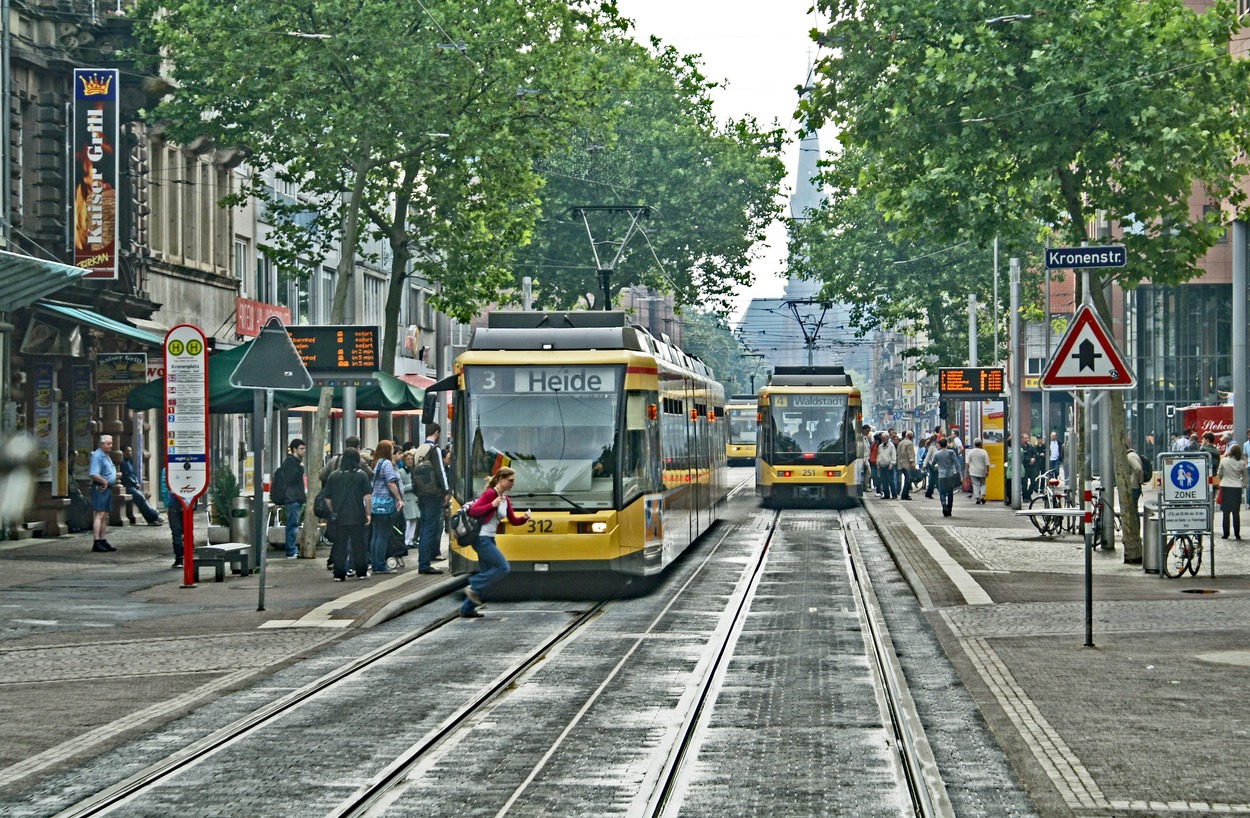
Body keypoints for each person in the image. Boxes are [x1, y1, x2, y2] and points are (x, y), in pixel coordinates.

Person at [459, 467, 530, 618]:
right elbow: (473, 511)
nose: (512, 483)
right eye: (510, 480)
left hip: (490, 538)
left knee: (488, 574)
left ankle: (467, 609)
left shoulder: (505, 499)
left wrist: (524, 518)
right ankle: (474, 584)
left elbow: (513, 520)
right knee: (503, 567)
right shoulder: (490, 494)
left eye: (513, 481)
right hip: (481, 538)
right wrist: (492, 505)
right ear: (500, 480)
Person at [323, 448, 373, 580]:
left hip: (340, 517)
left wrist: (334, 510)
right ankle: (361, 572)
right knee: (359, 545)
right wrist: (368, 513)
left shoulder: (333, 476)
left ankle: (339, 574)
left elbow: (327, 498)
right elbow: (367, 496)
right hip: (357, 516)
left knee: (340, 546)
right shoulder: (362, 475)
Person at [415, 423, 450, 574]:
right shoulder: (434, 449)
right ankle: (424, 564)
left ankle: (422, 561)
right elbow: (440, 472)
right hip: (434, 494)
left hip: (422, 494)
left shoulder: (419, 450)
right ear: (437, 432)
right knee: (430, 528)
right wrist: (446, 491)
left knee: (424, 527)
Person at [368, 440, 404, 575]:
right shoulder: (387, 464)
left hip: (375, 503)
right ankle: (380, 565)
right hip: (386, 504)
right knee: (382, 535)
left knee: (376, 535)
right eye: (391, 449)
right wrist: (399, 498)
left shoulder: (376, 463)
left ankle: (375, 562)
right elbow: (391, 483)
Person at [273, 439, 306, 558]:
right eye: (301, 449)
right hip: (292, 498)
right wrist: (301, 468)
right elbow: (291, 479)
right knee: (292, 525)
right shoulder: (290, 463)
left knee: (293, 524)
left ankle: (292, 549)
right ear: (294, 449)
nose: (303, 451)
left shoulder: (293, 462)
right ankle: (291, 550)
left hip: (295, 497)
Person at [87, 434, 117, 552]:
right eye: (108, 443)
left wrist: (115, 475)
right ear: (101, 444)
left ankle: (103, 539)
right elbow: (93, 474)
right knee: (99, 514)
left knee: (104, 515)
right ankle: (96, 541)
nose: (111, 445)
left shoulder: (106, 455)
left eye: (111, 443)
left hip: (107, 488)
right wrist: (104, 481)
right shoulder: (97, 455)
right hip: (100, 488)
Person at [119, 446, 163, 526]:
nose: (131, 452)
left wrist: (135, 482)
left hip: (131, 485)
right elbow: (126, 476)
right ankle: (153, 516)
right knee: (140, 498)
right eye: (129, 451)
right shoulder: (123, 463)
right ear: (125, 452)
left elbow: (132, 474)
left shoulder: (128, 462)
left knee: (141, 497)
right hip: (127, 486)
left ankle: (153, 516)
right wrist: (134, 483)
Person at [1217, 444, 1247, 540]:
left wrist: (1223, 478)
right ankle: (1237, 534)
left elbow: (1219, 474)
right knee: (1236, 512)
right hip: (1236, 488)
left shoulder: (1223, 461)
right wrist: (1243, 484)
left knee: (1226, 512)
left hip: (1226, 487)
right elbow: (1246, 477)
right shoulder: (1242, 463)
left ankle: (1226, 533)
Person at [929, 437, 963, 517]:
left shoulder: (937, 454)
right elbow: (957, 464)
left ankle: (943, 503)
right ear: (947, 444)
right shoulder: (951, 452)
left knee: (942, 492)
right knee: (950, 493)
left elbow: (933, 463)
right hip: (950, 475)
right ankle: (949, 510)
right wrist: (960, 475)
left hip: (941, 475)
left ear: (940, 445)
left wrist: (935, 467)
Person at [399, 448, 421, 550]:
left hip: (414, 499)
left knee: (414, 520)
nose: (410, 461)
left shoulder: (415, 471)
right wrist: (412, 485)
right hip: (407, 499)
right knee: (408, 521)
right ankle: (406, 541)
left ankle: (411, 540)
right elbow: (401, 487)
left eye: (412, 459)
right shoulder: (401, 472)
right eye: (408, 459)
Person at [966, 439, 991, 505]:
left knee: (975, 484)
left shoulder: (971, 452)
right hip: (982, 470)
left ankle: (977, 498)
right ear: (981, 444)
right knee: (983, 483)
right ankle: (982, 496)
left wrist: (967, 470)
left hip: (973, 471)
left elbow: (967, 462)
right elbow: (987, 463)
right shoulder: (984, 452)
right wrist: (987, 471)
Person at [1125, 440, 1146, 515]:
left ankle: (1135, 526)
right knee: (1134, 508)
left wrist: (1140, 480)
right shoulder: (1134, 454)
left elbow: (1138, 469)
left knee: (1132, 509)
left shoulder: (1129, 457)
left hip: (1133, 485)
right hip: (1135, 485)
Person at [876, 431, 897, 499]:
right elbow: (879, 455)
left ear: (887, 438)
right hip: (882, 466)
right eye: (881, 438)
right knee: (884, 481)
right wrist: (878, 463)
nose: (882, 440)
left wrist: (892, 464)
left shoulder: (891, 446)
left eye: (883, 438)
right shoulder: (880, 446)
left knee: (891, 481)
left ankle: (894, 495)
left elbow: (893, 455)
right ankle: (886, 495)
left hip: (888, 466)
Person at [896, 430, 916, 500]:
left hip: (900, 463)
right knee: (908, 479)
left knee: (905, 479)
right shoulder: (909, 443)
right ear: (911, 436)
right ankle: (905, 494)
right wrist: (912, 462)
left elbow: (898, 453)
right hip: (907, 464)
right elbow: (910, 453)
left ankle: (904, 494)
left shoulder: (901, 442)